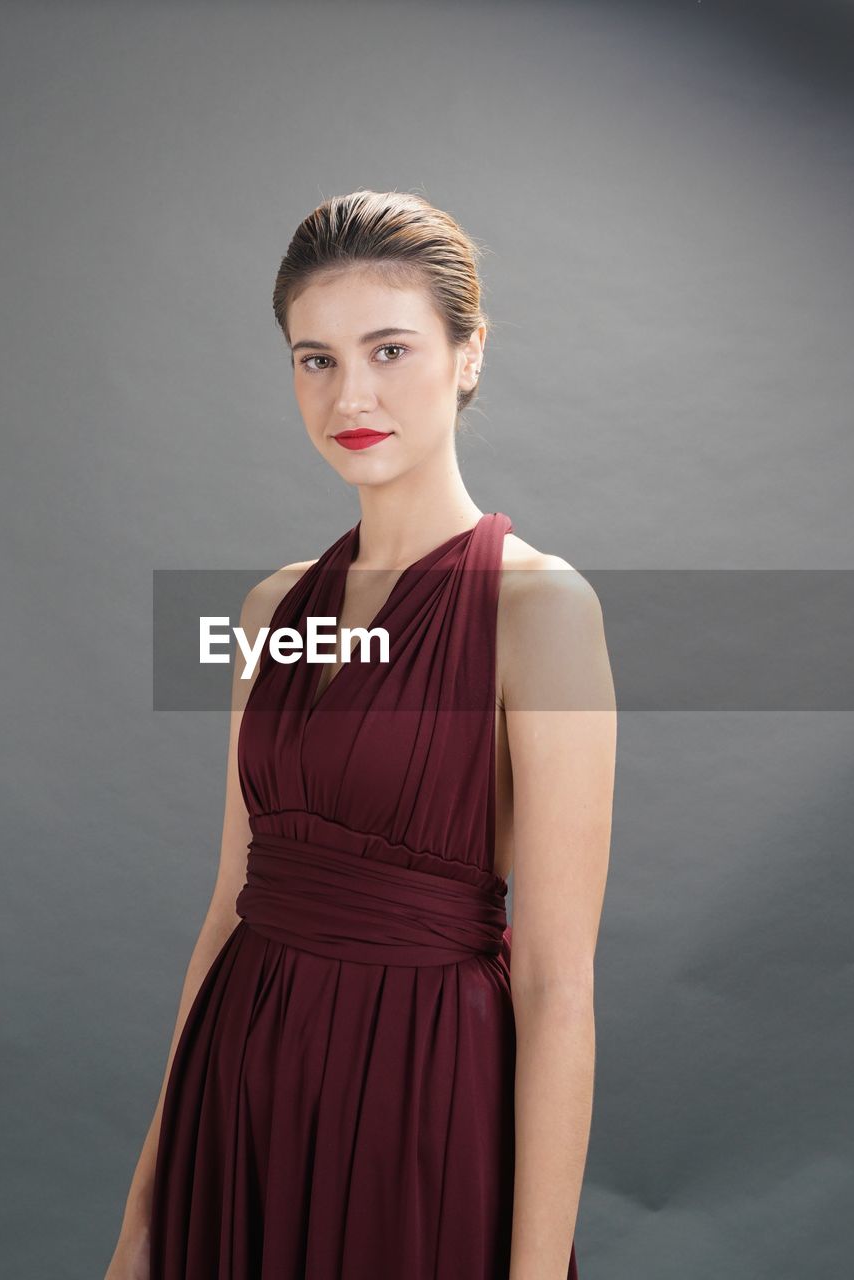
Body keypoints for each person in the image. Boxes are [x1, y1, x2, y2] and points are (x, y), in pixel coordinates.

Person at [105, 189, 616, 1280]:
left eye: (390, 348)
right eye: (316, 358)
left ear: (470, 354)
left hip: (422, 1108)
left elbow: (560, 985)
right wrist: (144, 1210)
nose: (352, 393)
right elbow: (227, 898)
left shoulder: (540, 610)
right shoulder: (265, 612)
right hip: (238, 1097)